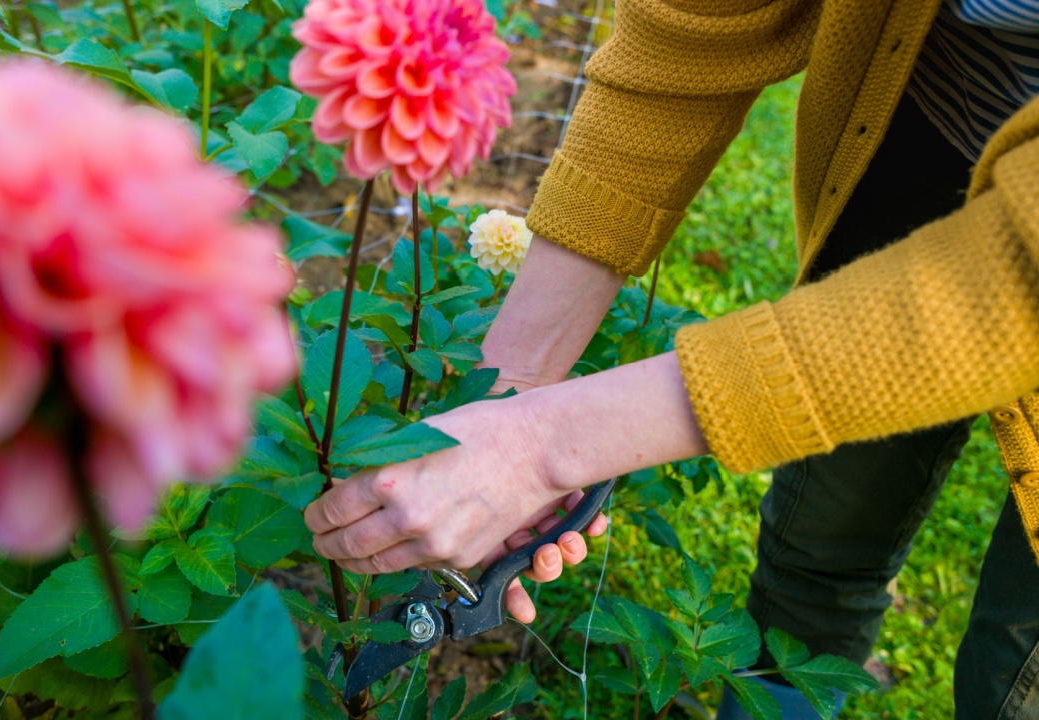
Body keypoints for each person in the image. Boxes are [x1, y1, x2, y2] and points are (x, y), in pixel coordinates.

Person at [304, 0, 1039, 717]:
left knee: (1011, 673)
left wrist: (542, 447)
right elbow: (690, 39)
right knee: (823, 533)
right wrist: (509, 390)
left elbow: (1016, 285)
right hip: (923, 119)